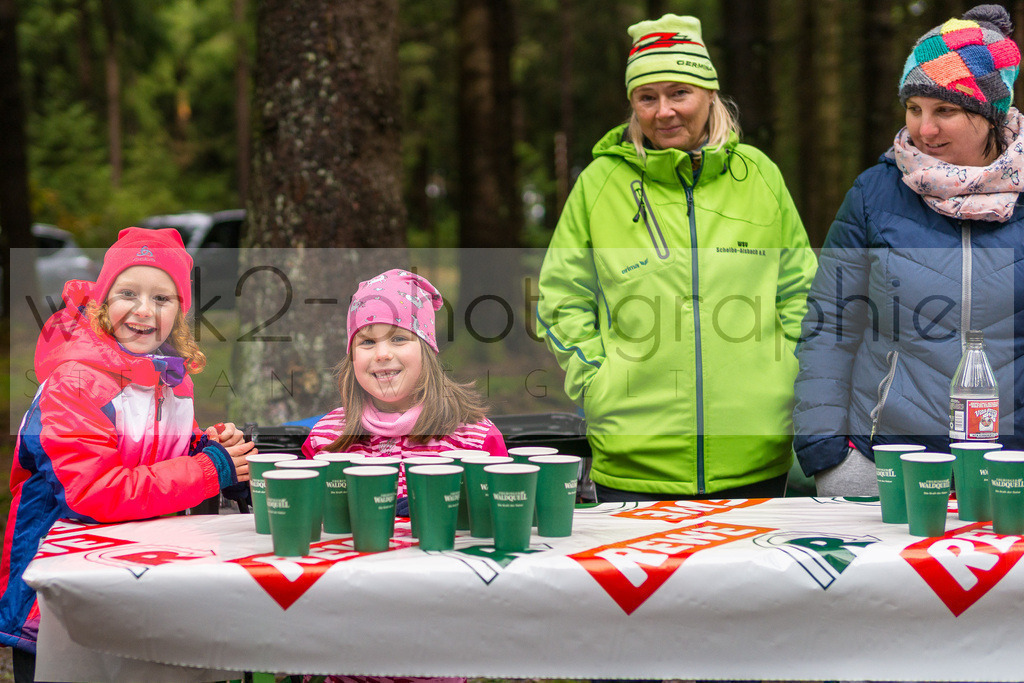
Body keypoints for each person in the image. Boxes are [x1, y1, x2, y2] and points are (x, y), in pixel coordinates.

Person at [536, 13, 817, 502]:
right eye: (647, 97)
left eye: (679, 93)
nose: (664, 112)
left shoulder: (760, 176)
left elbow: (801, 291)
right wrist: (597, 379)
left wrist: (788, 375)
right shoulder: (600, 183)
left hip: (755, 452)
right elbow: (561, 296)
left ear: (710, 94)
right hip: (632, 459)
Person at [0, 227, 254, 683]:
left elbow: (156, 447)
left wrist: (211, 449)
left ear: (179, 313)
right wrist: (207, 470)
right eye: (128, 293)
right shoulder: (74, 384)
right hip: (57, 595)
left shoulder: (168, 376)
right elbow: (95, 492)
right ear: (102, 302)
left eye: (162, 298)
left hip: (127, 576)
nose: (144, 310)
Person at [793, 4, 1024, 496]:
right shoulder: (874, 194)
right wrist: (829, 453)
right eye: (914, 108)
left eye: (945, 111)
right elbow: (829, 327)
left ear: (991, 115)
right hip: (885, 460)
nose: (924, 129)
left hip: (1011, 467)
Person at [302, 268, 508, 503]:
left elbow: (503, 511)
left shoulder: (475, 438)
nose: (382, 354)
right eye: (367, 342)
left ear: (427, 350)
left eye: (399, 338)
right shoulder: (327, 440)